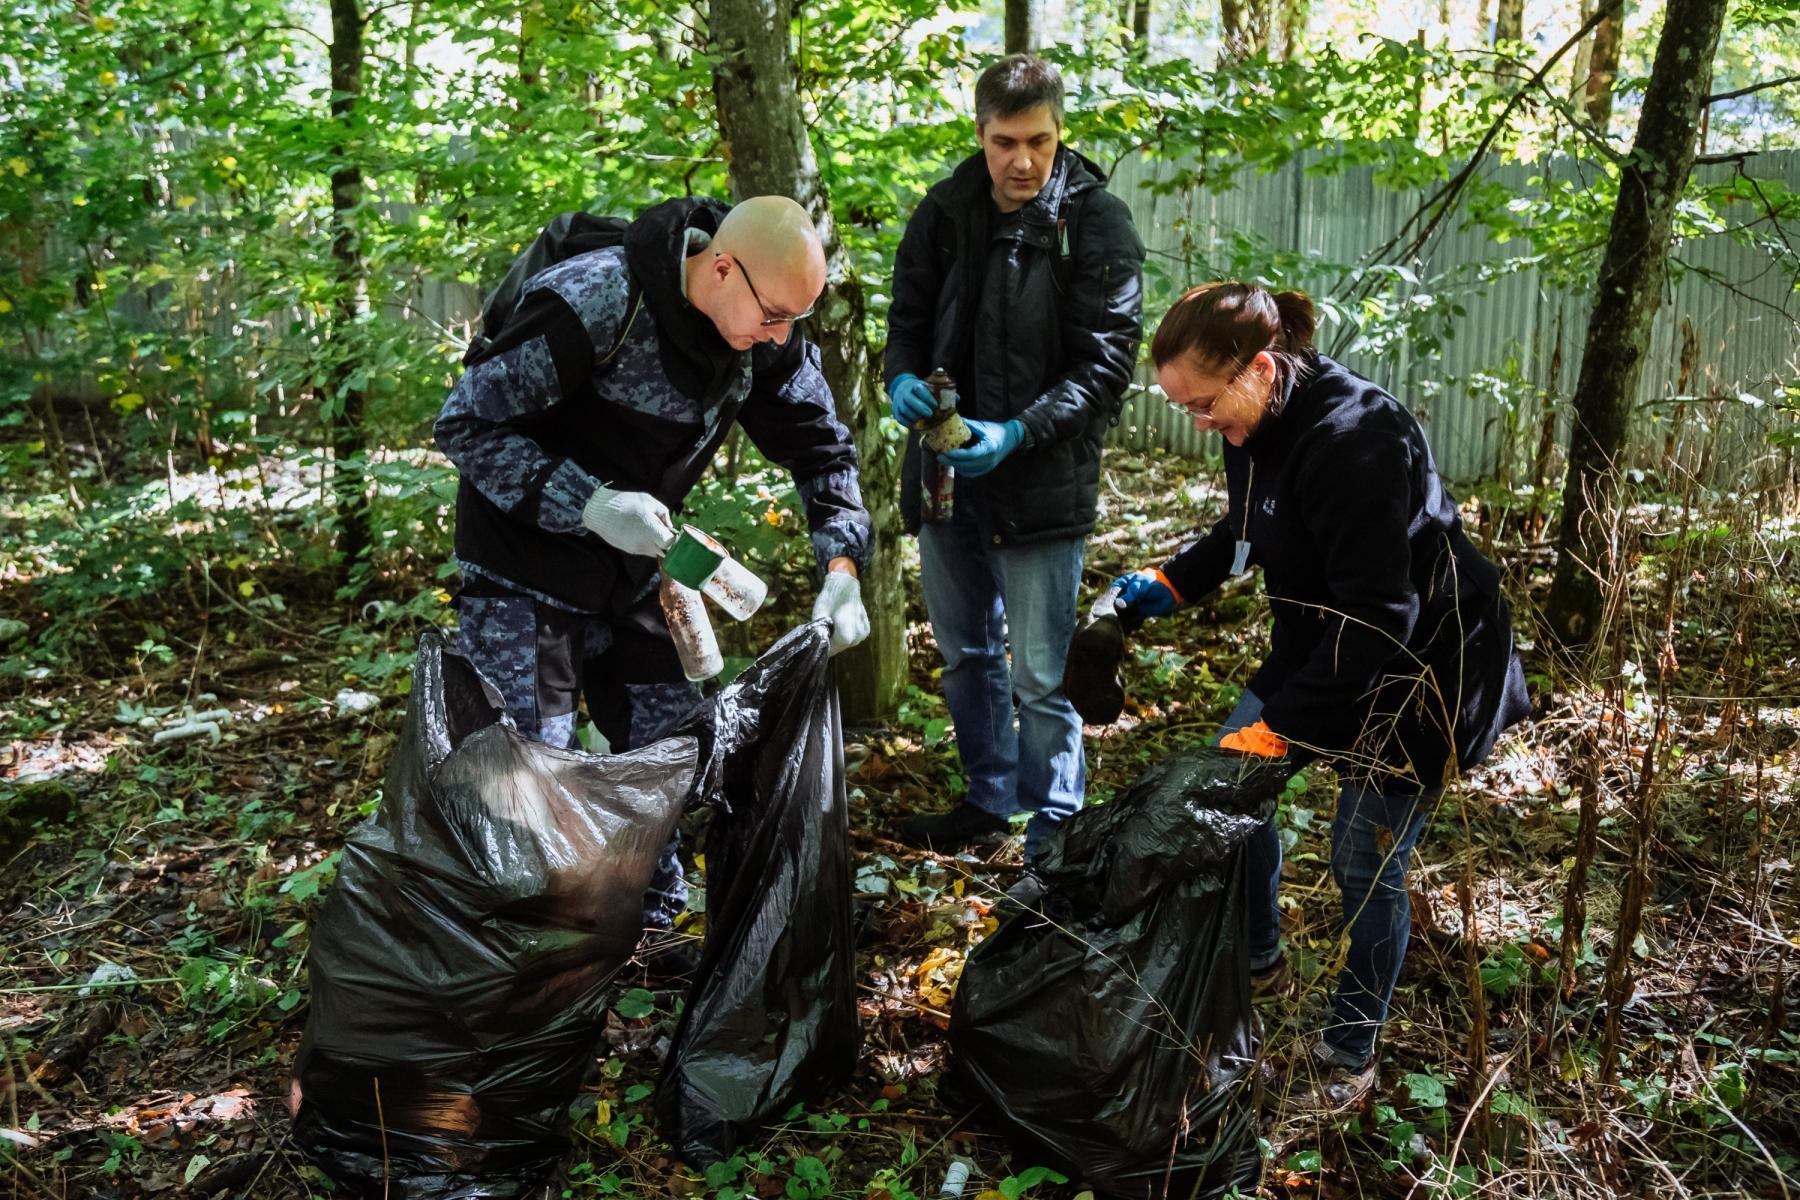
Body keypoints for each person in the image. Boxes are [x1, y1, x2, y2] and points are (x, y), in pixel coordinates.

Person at [1113, 282, 1529, 1110]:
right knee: (1228, 795)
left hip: (1420, 669)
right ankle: (1261, 961)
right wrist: (1172, 581)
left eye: (1203, 404)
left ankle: (1349, 1056)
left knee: (1362, 859)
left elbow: (1380, 616)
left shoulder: (1356, 441)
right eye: (1184, 408)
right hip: (1320, 643)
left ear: (1260, 368)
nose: (1200, 423)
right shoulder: (1253, 418)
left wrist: (1283, 730)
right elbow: (1247, 527)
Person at [435, 195, 873, 970]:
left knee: (672, 746)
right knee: (532, 774)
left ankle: (655, 929)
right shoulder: (598, 302)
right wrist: (588, 502)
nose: (779, 338)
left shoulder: (766, 336)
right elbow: (465, 423)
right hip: (523, 567)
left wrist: (842, 567)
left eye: (792, 324)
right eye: (773, 315)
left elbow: (823, 452)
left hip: (640, 566)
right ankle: (524, 961)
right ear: (722, 267)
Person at [883, 53, 1145, 862]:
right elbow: (908, 315)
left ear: (1060, 131)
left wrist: (1018, 434)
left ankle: (1055, 834)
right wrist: (898, 377)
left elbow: (1105, 368)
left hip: (1042, 485)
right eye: (1005, 142)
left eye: (1038, 140)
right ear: (981, 134)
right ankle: (988, 800)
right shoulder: (946, 208)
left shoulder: (1095, 223)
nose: (1023, 161)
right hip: (946, 477)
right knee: (965, 656)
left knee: (1039, 674)